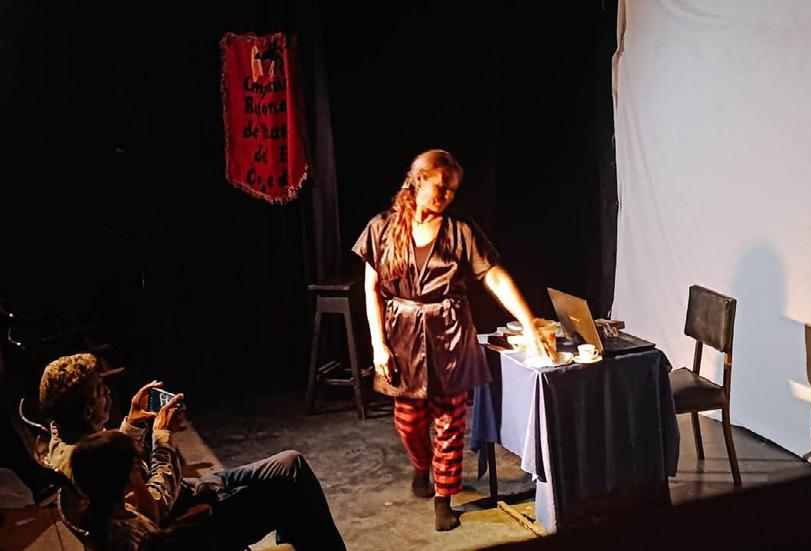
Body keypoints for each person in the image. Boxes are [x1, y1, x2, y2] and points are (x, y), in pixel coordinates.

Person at [353, 149, 551, 531]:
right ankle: (421, 465)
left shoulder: (461, 229)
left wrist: (527, 322)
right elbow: (371, 288)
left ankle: (443, 498)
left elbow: (493, 276)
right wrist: (378, 345)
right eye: (441, 186)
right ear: (418, 181)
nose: (446, 196)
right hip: (403, 335)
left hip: (450, 334)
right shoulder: (382, 228)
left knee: (450, 423)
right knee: (409, 423)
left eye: (453, 190)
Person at [40, 353, 346, 550]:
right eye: (99, 391)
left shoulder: (66, 440)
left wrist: (131, 424)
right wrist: (162, 437)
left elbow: (113, 462)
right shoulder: (80, 462)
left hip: (188, 492)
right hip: (187, 520)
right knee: (290, 487)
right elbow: (156, 507)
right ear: (85, 410)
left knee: (291, 464)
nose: (108, 393)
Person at [71, 396, 183, 551]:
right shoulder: (131, 536)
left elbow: (151, 516)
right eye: (135, 464)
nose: (138, 466)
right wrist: (162, 437)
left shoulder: (103, 509)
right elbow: (159, 504)